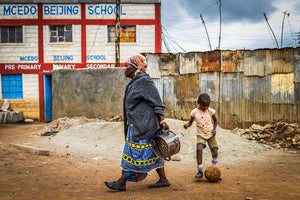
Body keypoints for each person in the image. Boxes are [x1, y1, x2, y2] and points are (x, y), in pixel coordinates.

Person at [104, 54, 171, 191]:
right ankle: (163, 179)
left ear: (135, 67)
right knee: (153, 152)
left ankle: (121, 182)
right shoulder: (135, 82)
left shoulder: (144, 81)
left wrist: (162, 120)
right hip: (138, 125)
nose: (124, 69)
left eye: (127, 66)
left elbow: (157, 103)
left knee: (133, 155)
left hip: (144, 127)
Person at [183, 93, 220, 179]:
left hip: (210, 134)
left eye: (207, 105)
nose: (205, 107)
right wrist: (187, 125)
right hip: (200, 134)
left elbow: (215, 121)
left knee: (215, 151)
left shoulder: (210, 111)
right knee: (199, 149)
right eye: (203, 105)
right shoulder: (194, 112)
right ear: (198, 103)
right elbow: (190, 122)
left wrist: (214, 129)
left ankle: (215, 169)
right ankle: (200, 170)